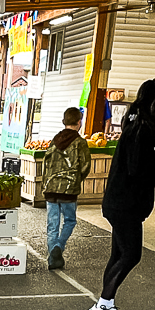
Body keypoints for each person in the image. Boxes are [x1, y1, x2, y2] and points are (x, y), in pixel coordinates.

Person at [88, 79, 155, 310]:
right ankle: (101, 304)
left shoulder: (133, 120)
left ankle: (108, 304)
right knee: (132, 254)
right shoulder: (146, 128)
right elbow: (138, 168)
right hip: (127, 203)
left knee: (119, 253)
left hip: (119, 200)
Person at [43, 106, 92, 270]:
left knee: (52, 225)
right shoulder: (80, 143)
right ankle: (58, 247)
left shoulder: (54, 140)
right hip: (69, 189)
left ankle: (53, 258)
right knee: (70, 221)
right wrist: (77, 180)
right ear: (79, 122)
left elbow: (46, 163)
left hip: (50, 188)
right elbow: (85, 166)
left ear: (64, 122)